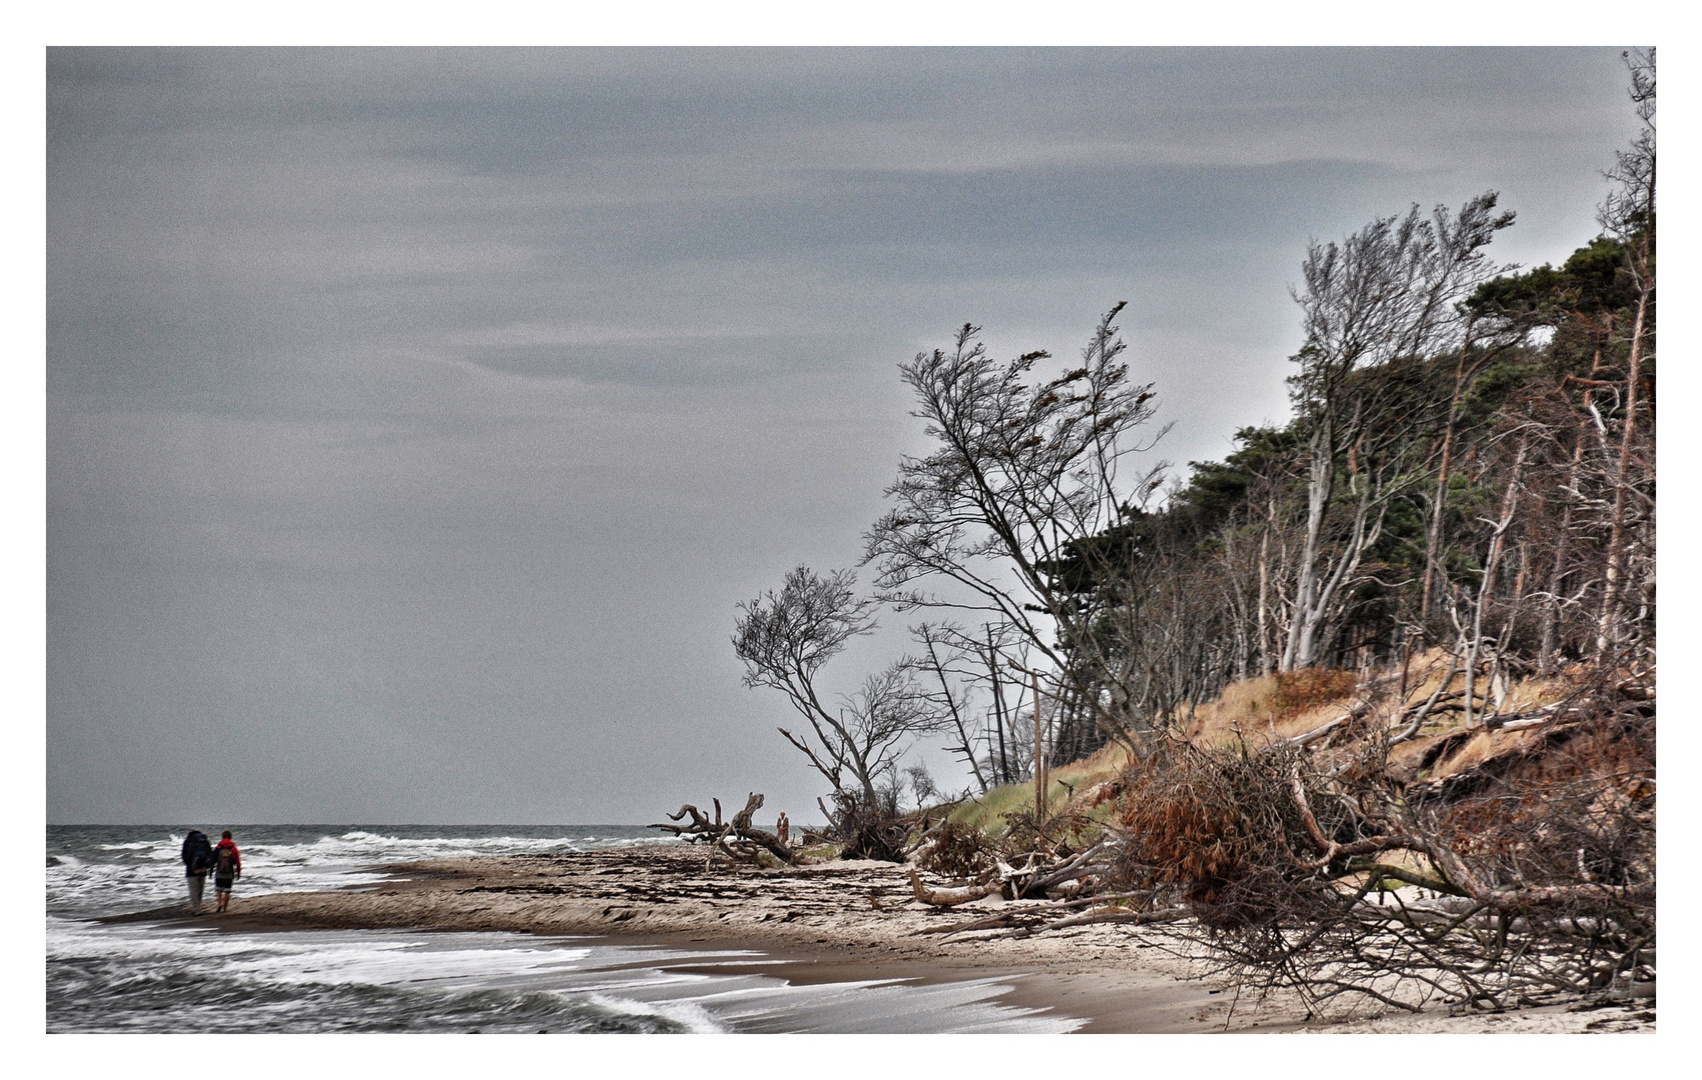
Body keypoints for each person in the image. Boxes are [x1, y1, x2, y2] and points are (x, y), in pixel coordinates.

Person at [180, 829, 215, 912]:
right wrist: (206, 867)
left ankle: (197, 908)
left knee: (193, 889)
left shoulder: (188, 841)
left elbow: (184, 856)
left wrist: (191, 866)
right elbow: (210, 854)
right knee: (200, 889)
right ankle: (199, 904)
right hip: (203, 869)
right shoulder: (205, 841)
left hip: (192, 870)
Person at [211, 830, 242, 914]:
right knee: (227, 891)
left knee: (219, 890)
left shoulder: (218, 847)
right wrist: (238, 872)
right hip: (229, 872)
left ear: (222, 837)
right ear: (230, 837)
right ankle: (225, 908)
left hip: (219, 871)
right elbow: (238, 862)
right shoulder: (233, 848)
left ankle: (219, 904)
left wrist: (210, 871)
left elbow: (213, 860)